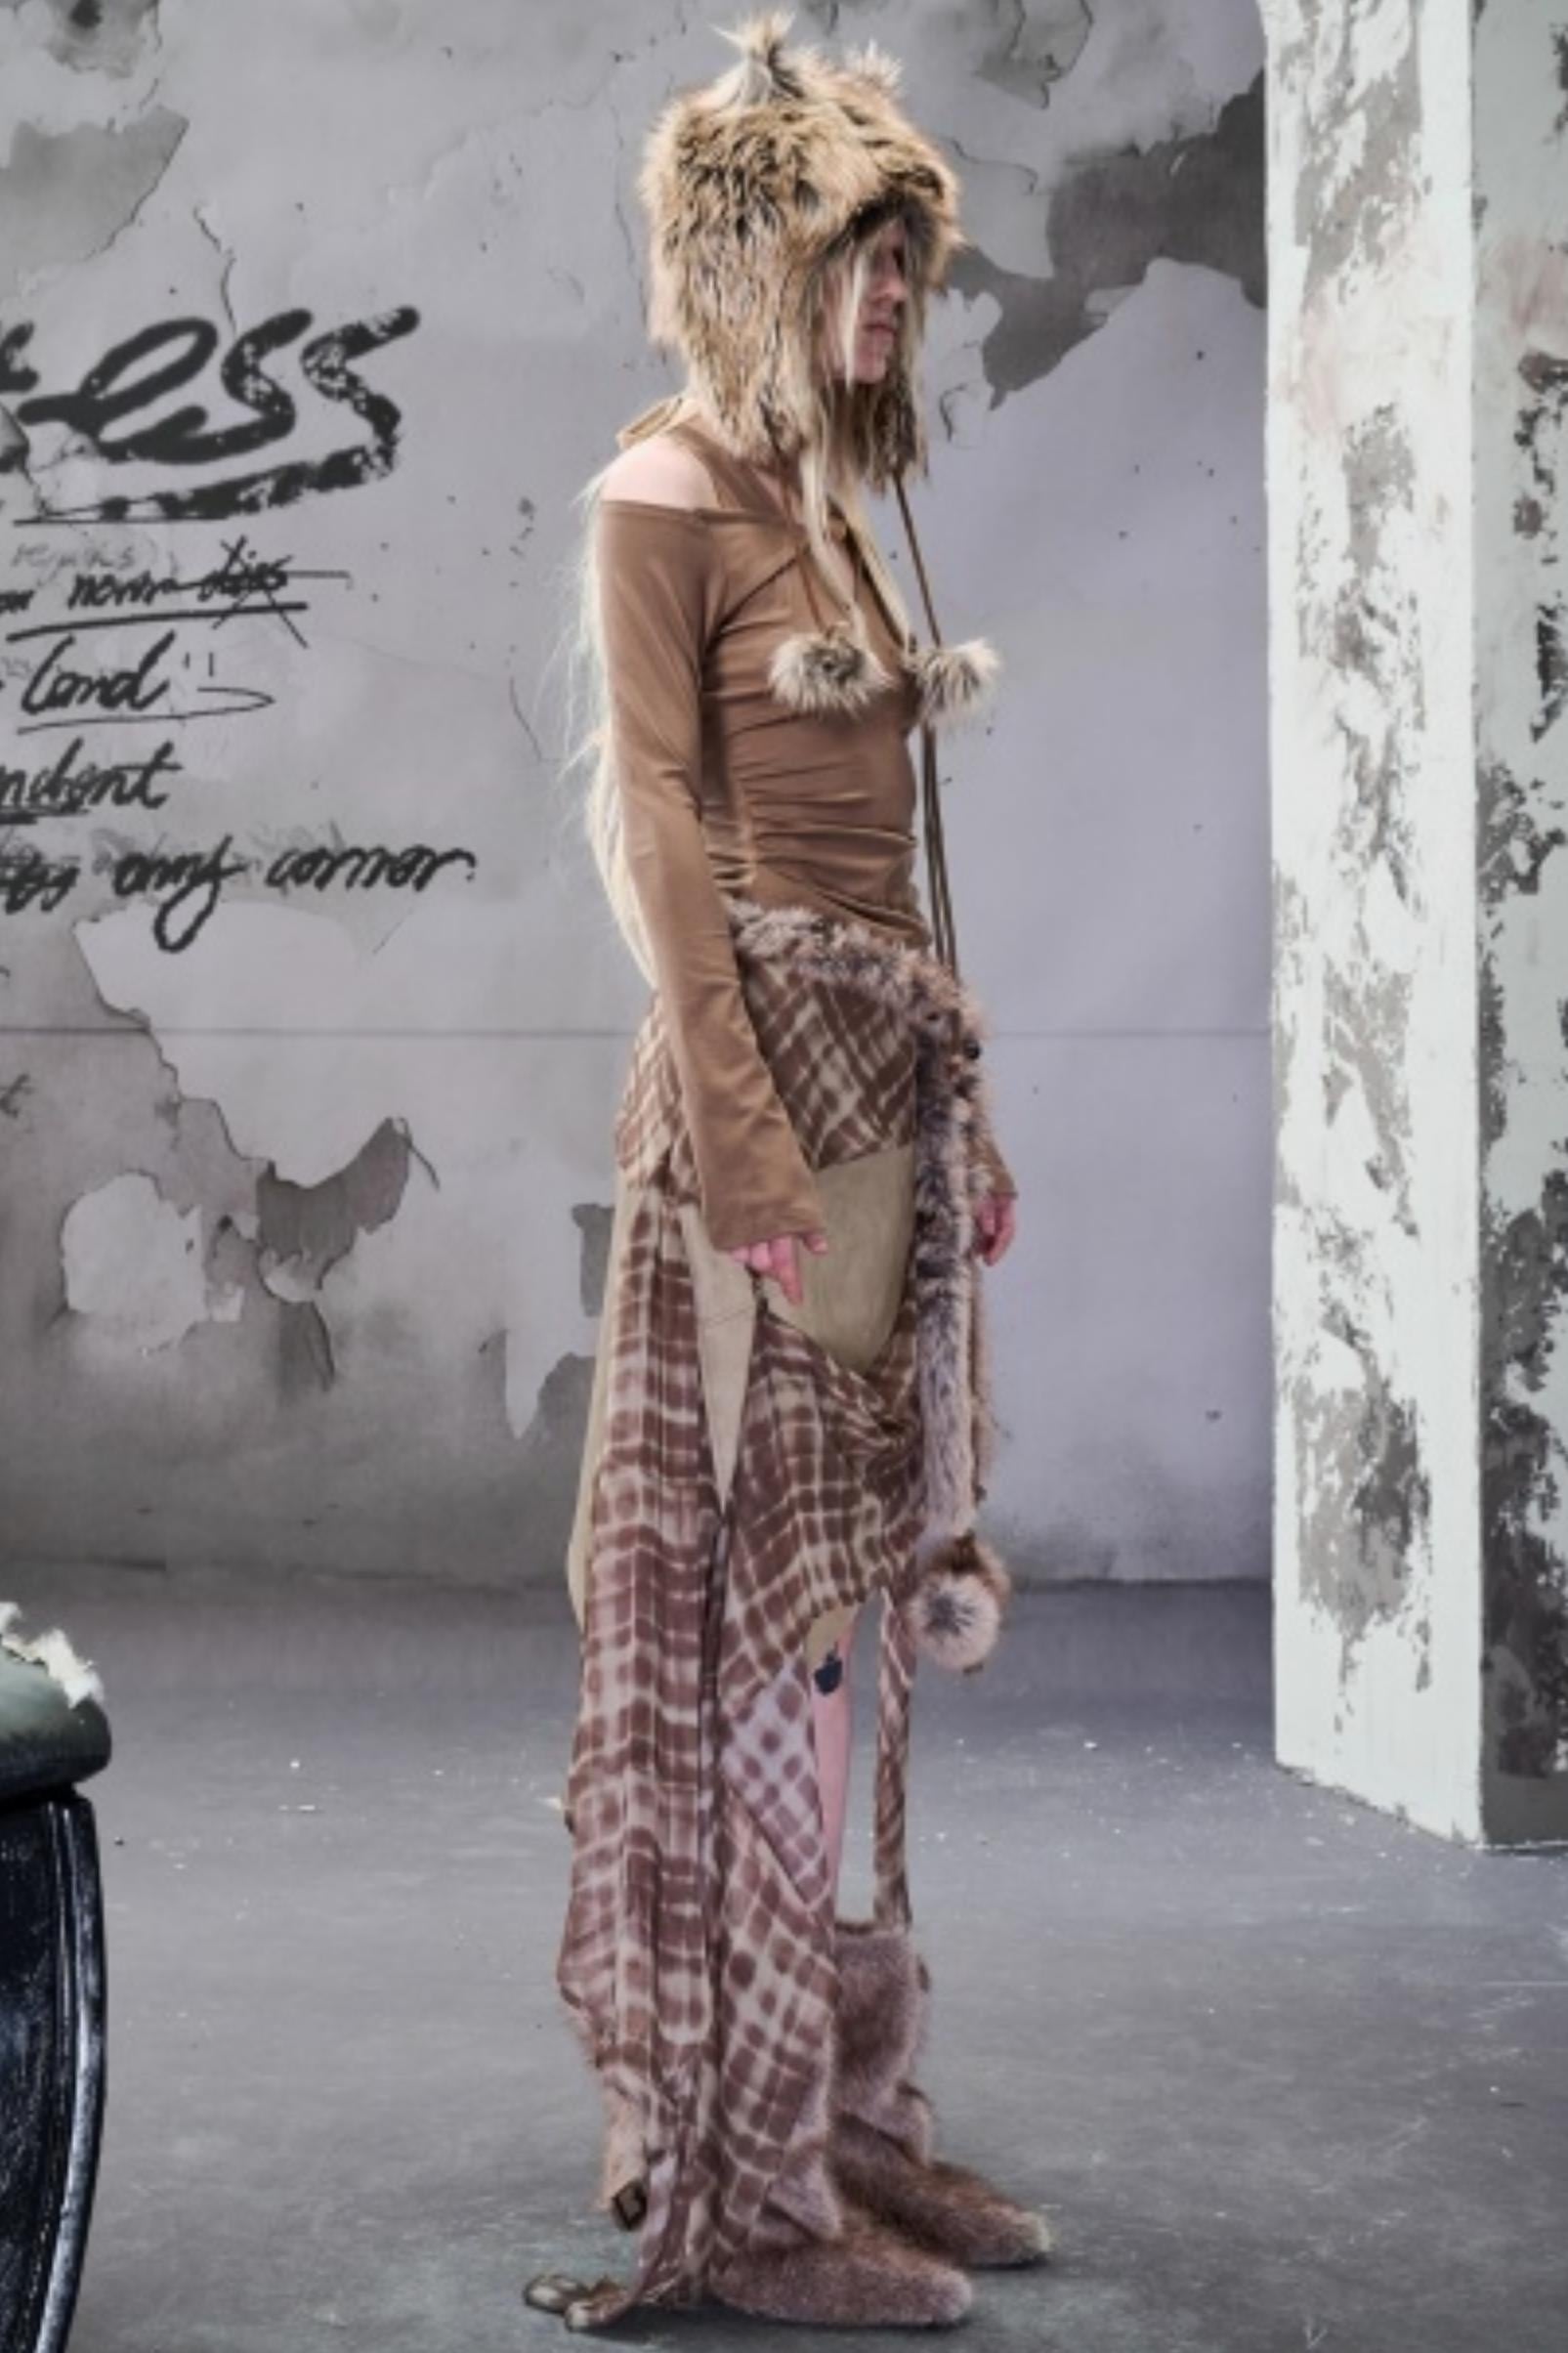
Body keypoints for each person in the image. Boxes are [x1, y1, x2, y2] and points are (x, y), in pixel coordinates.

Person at [526, 10, 1052, 2331]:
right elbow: (660, 827)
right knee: (759, 1649)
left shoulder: (833, 508)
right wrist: (744, 1137)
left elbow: (892, 859)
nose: (889, 298)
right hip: (763, 1120)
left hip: (878, 1109)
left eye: (906, 265)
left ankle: (841, 2115)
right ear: (754, 268)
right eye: (855, 258)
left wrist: (965, 1119)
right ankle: (743, 2191)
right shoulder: (663, 501)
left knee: (851, 1641)